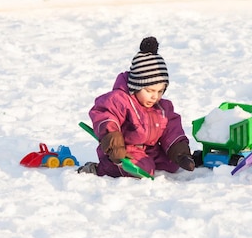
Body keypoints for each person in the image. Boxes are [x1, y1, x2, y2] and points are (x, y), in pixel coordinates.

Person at [77, 36, 195, 177]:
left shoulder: (162, 108)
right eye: (149, 91)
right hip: (124, 150)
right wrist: (114, 142)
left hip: (151, 150)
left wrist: (180, 153)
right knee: (144, 168)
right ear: (136, 86)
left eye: (160, 91)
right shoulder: (120, 100)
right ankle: (100, 168)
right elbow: (105, 114)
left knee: (171, 164)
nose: (155, 96)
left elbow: (172, 131)